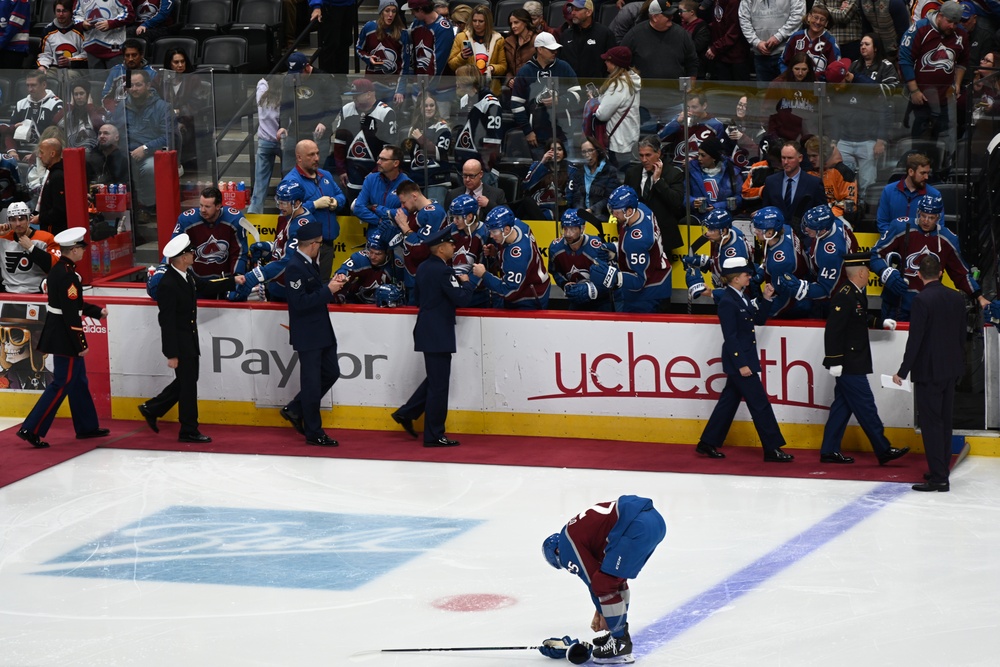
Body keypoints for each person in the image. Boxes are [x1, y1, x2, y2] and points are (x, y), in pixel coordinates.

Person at [138, 234, 242, 444]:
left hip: (189, 339)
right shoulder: (168, 284)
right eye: (190, 252)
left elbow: (204, 286)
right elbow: (166, 322)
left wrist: (232, 281)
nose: (194, 254)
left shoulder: (186, 275)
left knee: (187, 381)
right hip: (180, 342)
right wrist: (171, 353)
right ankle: (188, 429)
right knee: (188, 386)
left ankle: (153, 408)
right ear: (182, 257)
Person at [541, 495, 666, 665]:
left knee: (603, 583)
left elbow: (595, 583)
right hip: (654, 521)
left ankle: (619, 643)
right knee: (614, 579)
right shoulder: (574, 532)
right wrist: (602, 613)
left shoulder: (565, 547)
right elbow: (607, 578)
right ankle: (618, 634)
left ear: (556, 554)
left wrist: (603, 614)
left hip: (637, 526)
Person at [16, 228, 110, 449]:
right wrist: (81, 344)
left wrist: (96, 312)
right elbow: (70, 313)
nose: (84, 253)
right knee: (61, 383)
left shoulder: (60, 270)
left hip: (60, 331)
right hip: (65, 337)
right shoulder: (68, 275)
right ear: (74, 250)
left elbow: (70, 305)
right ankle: (32, 428)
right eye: (82, 249)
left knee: (77, 382)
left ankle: (87, 427)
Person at [695, 256, 793, 461]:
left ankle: (707, 442)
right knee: (760, 403)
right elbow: (730, 337)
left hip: (743, 360)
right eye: (746, 275)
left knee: (728, 403)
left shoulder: (741, 296)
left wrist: (766, 299)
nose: (750, 277)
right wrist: (742, 364)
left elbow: (757, 320)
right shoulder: (728, 301)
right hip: (741, 362)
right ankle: (772, 448)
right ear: (735, 278)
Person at [821, 253, 911, 465]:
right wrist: (834, 360)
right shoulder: (845, 295)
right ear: (861, 272)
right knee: (866, 406)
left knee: (841, 408)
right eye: (867, 270)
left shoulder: (856, 292)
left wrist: (880, 322)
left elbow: (858, 318)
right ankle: (883, 449)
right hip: (849, 364)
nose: (869, 273)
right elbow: (833, 330)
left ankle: (829, 450)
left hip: (854, 360)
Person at [391, 225, 475, 446]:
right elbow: (462, 299)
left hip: (427, 329)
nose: (453, 246)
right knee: (439, 386)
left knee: (435, 379)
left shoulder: (424, 268)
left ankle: (407, 412)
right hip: (438, 333)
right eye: (450, 244)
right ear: (441, 249)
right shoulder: (444, 271)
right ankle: (434, 434)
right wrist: (467, 283)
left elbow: (417, 297)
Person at [892, 255, 966, 492]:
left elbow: (916, 340)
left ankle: (939, 478)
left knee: (932, 424)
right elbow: (961, 336)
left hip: (929, 372)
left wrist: (902, 371)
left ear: (919, 275)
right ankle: (940, 469)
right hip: (951, 370)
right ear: (941, 273)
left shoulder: (922, 300)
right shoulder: (956, 297)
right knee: (944, 423)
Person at [280, 221, 347, 447]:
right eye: (319, 243)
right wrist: (328, 291)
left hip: (321, 331)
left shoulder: (309, 263)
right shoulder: (295, 267)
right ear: (312, 245)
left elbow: (314, 293)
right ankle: (313, 431)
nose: (320, 247)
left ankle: (296, 408)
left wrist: (331, 285)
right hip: (308, 334)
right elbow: (299, 303)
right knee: (311, 382)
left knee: (331, 372)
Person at [871, 194, 988, 321]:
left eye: (931, 217)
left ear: (938, 217)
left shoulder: (948, 239)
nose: (926, 221)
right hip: (896, 304)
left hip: (928, 305)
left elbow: (960, 273)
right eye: (923, 215)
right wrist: (886, 273)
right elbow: (875, 254)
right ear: (918, 212)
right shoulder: (900, 227)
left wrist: (979, 296)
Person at [593, 185, 672, 313]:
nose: (613, 215)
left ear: (629, 211)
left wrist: (614, 277)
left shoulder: (637, 240)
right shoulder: (640, 208)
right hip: (658, 273)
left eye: (616, 211)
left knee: (640, 331)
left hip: (647, 294)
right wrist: (615, 248)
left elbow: (638, 281)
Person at [899, 1, 969, 139]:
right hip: (921, 96)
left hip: (945, 98)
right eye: (949, 22)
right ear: (940, 15)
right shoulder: (920, 29)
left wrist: (958, 84)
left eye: (956, 23)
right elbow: (904, 59)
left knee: (943, 140)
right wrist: (914, 90)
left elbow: (962, 62)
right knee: (919, 139)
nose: (952, 26)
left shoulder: (961, 34)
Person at [108, 70, 174, 211]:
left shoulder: (162, 107)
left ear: (148, 85)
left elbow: (168, 136)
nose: (134, 89)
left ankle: (148, 207)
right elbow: (117, 131)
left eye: (138, 85)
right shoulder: (122, 106)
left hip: (152, 153)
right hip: (126, 152)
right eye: (131, 85)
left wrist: (146, 148)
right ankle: (120, 208)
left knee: (149, 168)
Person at [280, 139, 347, 279]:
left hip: (327, 244)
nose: (316, 158)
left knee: (322, 286)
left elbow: (341, 195)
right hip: (304, 246)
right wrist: (314, 204)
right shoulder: (291, 181)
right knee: (305, 287)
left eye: (317, 154)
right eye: (311, 155)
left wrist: (336, 202)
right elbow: (287, 212)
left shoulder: (325, 175)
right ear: (299, 157)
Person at [511, 31, 582, 153]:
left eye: (555, 49)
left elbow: (578, 94)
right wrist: (528, 131)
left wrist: (560, 100)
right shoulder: (525, 71)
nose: (555, 52)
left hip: (563, 133)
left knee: (565, 170)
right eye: (551, 49)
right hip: (538, 136)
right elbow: (516, 104)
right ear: (539, 49)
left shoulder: (564, 67)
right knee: (541, 170)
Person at [167, 186, 250, 289]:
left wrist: (237, 275)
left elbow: (239, 252)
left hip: (226, 280)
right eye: (201, 205)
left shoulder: (235, 220)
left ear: (219, 206)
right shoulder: (186, 220)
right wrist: (163, 268)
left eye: (207, 206)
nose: (202, 210)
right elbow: (173, 248)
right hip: (197, 280)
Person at [329, 77, 398, 199]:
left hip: (377, 171)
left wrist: (376, 172)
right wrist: (341, 170)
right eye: (352, 95)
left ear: (369, 94)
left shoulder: (386, 112)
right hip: (352, 170)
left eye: (357, 95)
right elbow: (339, 142)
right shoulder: (346, 110)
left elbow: (389, 149)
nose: (353, 98)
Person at [471, 206, 550, 308]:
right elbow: (506, 248)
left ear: (507, 230)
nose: (491, 236)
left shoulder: (518, 256)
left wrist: (484, 275)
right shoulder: (517, 224)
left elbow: (509, 291)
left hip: (529, 298)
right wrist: (497, 252)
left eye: (494, 232)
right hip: (531, 285)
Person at [278, 52, 335, 171]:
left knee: (317, 170)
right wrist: (282, 126)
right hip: (296, 130)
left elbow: (335, 104)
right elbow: (285, 105)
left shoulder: (323, 78)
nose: (296, 78)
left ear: (307, 67)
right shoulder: (289, 80)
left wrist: (324, 122)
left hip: (318, 132)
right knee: (287, 168)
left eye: (299, 74)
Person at [750, 206, 811, 318]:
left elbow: (785, 299)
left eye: (758, 229)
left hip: (796, 303)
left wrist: (764, 310)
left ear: (769, 233)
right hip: (804, 279)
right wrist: (762, 269)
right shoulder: (786, 229)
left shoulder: (779, 262)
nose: (755, 232)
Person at [683, 208, 752, 305]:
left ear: (723, 231)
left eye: (711, 229)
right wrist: (706, 262)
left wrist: (709, 292)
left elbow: (738, 293)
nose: (707, 233)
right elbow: (721, 262)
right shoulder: (724, 236)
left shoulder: (735, 255)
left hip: (737, 305)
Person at [549, 209, 612, 311]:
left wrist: (591, 290)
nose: (568, 234)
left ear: (582, 228)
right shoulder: (555, 248)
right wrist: (564, 284)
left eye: (573, 229)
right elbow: (555, 271)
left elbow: (609, 278)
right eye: (565, 229)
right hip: (576, 300)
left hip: (601, 302)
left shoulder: (597, 247)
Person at [155, 47, 206, 172]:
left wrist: (178, 112)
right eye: (176, 62)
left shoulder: (193, 79)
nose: (180, 65)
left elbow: (196, 104)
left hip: (187, 121)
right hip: (163, 119)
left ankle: (174, 165)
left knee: (175, 130)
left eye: (182, 62)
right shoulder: (160, 79)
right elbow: (154, 99)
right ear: (169, 64)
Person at [621, 2, 699, 81]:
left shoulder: (682, 34)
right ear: (655, 17)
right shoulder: (634, 35)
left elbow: (692, 62)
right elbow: (621, 62)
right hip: (644, 90)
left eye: (671, 14)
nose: (671, 17)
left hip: (675, 91)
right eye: (667, 15)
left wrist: (690, 88)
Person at [761, 140, 828, 229]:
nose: (785, 162)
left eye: (790, 158)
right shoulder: (771, 181)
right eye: (783, 158)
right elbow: (767, 209)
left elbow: (822, 213)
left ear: (800, 158)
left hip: (804, 237)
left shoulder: (813, 183)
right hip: (778, 237)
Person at [594, 46, 641, 169]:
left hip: (618, 142)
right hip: (628, 137)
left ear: (615, 64)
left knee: (619, 177)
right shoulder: (631, 80)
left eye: (608, 60)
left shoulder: (618, 85)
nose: (605, 62)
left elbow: (602, 114)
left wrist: (594, 103)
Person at [450, 66, 502, 175]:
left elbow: (493, 141)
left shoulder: (490, 102)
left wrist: (484, 168)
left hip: (482, 170)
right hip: (464, 167)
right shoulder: (464, 100)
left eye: (458, 80)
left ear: (466, 80)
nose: (456, 84)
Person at [405, 0, 456, 111]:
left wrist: (426, 88)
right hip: (419, 85)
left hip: (440, 89)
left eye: (413, 10)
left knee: (441, 124)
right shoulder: (416, 23)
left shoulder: (444, 28)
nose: (412, 13)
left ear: (421, 9)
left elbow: (438, 62)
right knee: (418, 122)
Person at [1, 70, 64, 161]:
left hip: (44, 155)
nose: (30, 89)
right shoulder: (20, 104)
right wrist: (12, 151)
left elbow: (57, 136)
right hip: (18, 154)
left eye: (33, 85)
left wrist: (37, 154)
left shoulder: (55, 105)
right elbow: (10, 131)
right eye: (28, 85)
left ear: (44, 85)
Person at [738, 0, 806, 83]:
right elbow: (744, 19)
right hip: (760, 55)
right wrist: (756, 42)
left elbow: (798, 15)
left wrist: (779, 36)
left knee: (787, 92)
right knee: (763, 93)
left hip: (786, 54)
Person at [355, 0, 410, 103]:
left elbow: (404, 65)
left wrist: (400, 90)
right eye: (387, 11)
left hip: (392, 85)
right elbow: (359, 49)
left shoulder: (402, 34)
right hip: (372, 83)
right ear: (381, 12)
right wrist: (368, 58)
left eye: (394, 11)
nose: (390, 15)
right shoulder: (369, 28)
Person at [447, 3, 507, 96]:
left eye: (481, 21)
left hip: (490, 87)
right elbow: (451, 64)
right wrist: (462, 57)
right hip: (467, 88)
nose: (477, 24)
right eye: (474, 21)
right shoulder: (461, 37)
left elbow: (503, 67)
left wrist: (492, 68)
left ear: (487, 22)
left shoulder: (498, 40)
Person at [351, 144, 411, 236]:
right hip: (373, 236)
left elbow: (405, 213)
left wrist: (376, 208)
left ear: (396, 163)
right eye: (379, 158)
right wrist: (379, 221)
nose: (378, 162)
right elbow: (358, 208)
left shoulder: (407, 184)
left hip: (396, 236)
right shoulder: (370, 179)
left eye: (383, 159)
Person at [875, 153, 943, 233]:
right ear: (911, 172)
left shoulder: (934, 195)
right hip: (893, 242)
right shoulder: (889, 191)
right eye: (922, 173)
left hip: (921, 243)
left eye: (927, 173)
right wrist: (893, 241)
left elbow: (939, 227)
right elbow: (882, 223)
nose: (926, 177)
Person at [0, 201, 58, 294]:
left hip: (38, 292)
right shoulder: (2, 238)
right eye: (13, 220)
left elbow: (55, 267)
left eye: (21, 219)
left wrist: (32, 248)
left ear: (28, 219)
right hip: (9, 293)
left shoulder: (47, 238)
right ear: (8, 222)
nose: (18, 223)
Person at [657, 91, 726, 166]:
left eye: (694, 107)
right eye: (687, 107)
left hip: (699, 168)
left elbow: (719, 153)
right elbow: (659, 137)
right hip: (676, 167)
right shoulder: (679, 120)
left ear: (704, 106)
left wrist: (694, 161)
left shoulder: (715, 125)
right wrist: (676, 122)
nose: (690, 111)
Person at [333, 228, 401, 304]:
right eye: (370, 252)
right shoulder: (360, 258)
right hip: (355, 303)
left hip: (385, 306)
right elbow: (344, 270)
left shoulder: (397, 265)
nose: (372, 256)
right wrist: (341, 275)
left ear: (388, 253)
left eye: (378, 254)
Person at [558, 0, 617, 81]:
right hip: (570, 87)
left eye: (577, 10)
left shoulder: (604, 34)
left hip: (596, 86)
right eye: (572, 9)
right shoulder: (566, 35)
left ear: (588, 12)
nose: (573, 13)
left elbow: (612, 63)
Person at [249, 76, 283, 214]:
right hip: (281, 141)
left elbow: (261, 82)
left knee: (260, 180)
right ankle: (284, 209)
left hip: (264, 141)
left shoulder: (261, 96)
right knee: (287, 177)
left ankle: (255, 211)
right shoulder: (283, 101)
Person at [804, 135, 858, 220]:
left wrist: (828, 215)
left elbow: (849, 202)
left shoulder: (844, 172)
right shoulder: (808, 173)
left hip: (838, 217)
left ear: (824, 154)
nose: (811, 160)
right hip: (813, 217)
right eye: (809, 156)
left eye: (814, 156)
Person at [780, 4, 841, 79]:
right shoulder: (796, 37)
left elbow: (835, 69)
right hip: (795, 83)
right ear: (808, 17)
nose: (818, 22)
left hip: (819, 85)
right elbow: (783, 62)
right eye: (815, 17)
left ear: (826, 23)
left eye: (822, 20)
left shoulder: (830, 42)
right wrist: (790, 78)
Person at [685, 135, 743, 215]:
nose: (699, 158)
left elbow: (739, 197)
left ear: (714, 157)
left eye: (703, 155)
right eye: (698, 154)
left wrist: (719, 206)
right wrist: (692, 202)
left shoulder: (731, 172)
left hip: (723, 218)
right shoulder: (691, 171)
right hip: (698, 220)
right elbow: (683, 195)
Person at [521, 138, 577, 220]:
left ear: (564, 152)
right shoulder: (537, 165)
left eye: (559, 149)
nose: (556, 152)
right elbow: (525, 185)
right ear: (546, 152)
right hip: (538, 208)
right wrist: (542, 162)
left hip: (560, 209)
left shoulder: (571, 168)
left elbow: (571, 194)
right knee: (526, 202)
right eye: (552, 150)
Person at [403, 93, 452, 187]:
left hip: (437, 182)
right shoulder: (413, 128)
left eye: (432, 105)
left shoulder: (442, 127)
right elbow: (411, 155)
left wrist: (421, 139)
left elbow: (440, 154)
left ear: (436, 107)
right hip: (416, 182)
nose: (429, 108)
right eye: (425, 106)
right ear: (420, 108)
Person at [73, 0, 134, 69]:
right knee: (96, 80)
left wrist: (111, 23)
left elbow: (129, 14)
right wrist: (82, 24)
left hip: (114, 48)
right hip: (92, 48)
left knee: (117, 78)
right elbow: (76, 16)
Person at [101, 38, 157, 112]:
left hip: (142, 114)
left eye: (134, 55)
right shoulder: (116, 70)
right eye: (127, 55)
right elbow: (106, 96)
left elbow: (154, 99)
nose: (130, 59)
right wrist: (114, 113)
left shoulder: (151, 73)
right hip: (117, 114)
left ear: (141, 55)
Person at [569, 138, 619, 218]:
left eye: (590, 150)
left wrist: (592, 210)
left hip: (602, 216)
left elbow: (609, 198)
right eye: (584, 152)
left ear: (597, 151)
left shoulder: (609, 171)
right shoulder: (579, 173)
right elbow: (576, 197)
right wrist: (581, 212)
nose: (587, 155)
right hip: (582, 216)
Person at [706, 0, 753, 82]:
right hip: (721, 55)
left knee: (741, 92)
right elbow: (719, 23)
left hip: (736, 57)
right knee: (724, 92)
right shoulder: (717, 1)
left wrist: (716, 47)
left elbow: (734, 31)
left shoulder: (734, 2)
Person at [30, 139, 67, 237]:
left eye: (42, 152)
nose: (39, 156)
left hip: (55, 232)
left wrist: (41, 218)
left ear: (52, 153)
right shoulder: (51, 172)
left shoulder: (57, 176)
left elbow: (59, 209)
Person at [36, 1, 88, 70]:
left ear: (71, 13)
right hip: (53, 69)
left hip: (74, 69)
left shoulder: (80, 30)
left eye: (64, 11)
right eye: (58, 11)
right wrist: (43, 66)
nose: (61, 14)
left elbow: (86, 55)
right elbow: (45, 55)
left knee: (68, 76)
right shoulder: (48, 31)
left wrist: (70, 61)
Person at [55, 79, 103, 150]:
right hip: (72, 152)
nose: (78, 97)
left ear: (88, 94)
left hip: (92, 153)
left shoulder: (98, 110)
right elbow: (55, 123)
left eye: (81, 93)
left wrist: (90, 107)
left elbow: (99, 126)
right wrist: (70, 106)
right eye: (75, 94)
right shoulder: (69, 111)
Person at [310, 0, 356, 73]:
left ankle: (342, 81)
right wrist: (316, 6)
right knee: (331, 44)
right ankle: (327, 80)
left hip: (349, 5)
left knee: (345, 43)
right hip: (330, 7)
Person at [503, 8, 537, 104]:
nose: (513, 26)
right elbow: (508, 68)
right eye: (511, 24)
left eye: (516, 22)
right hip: (514, 90)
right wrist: (509, 80)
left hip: (534, 88)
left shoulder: (537, 39)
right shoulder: (508, 42)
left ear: (525, 22)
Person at [678, 0, 711, 79]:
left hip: (697, 69)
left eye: (681, 11)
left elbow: (696, 47)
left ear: (692, 12)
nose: (679, 14)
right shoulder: (681, 25)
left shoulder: (702, 27)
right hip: (682, 67)